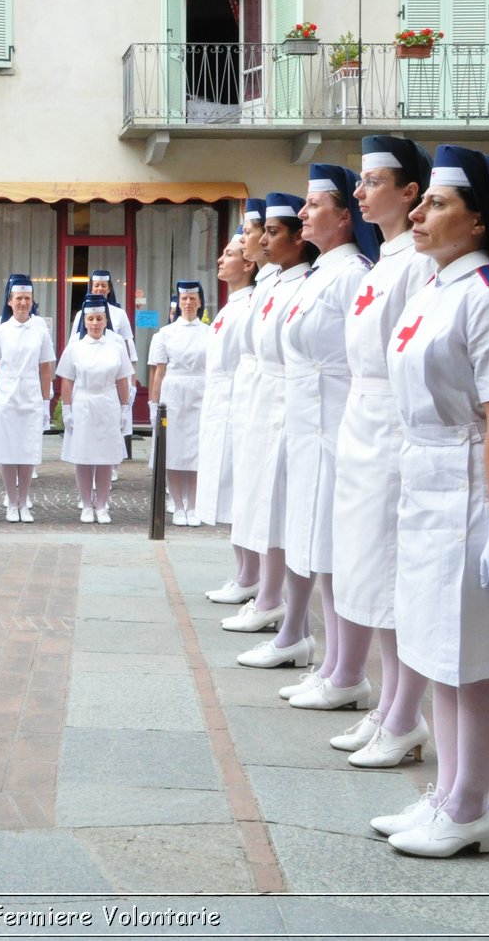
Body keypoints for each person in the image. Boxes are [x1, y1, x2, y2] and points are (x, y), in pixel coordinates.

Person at [373, 144, 489, 858]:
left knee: (476, 658)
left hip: (475, 491)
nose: (417, 213)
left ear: (479, 218)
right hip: (428, 484)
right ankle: (449, 794)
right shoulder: (434, 287)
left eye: (436, 203)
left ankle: (472, 804)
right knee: (436, 649)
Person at [330, 137, 438, 765]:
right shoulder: (383, 262)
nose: (360, 192)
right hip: (363, 423)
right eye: (360, 181)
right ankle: (388, 705)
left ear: (409, 192)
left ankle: (404, 715)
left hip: (394, 425)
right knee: (370, 567)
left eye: (372, 181)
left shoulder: (417, 263)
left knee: (394, 573)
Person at [271, 164, 377, 708]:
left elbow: (361, 360)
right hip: (312, 430)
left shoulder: (355, 271)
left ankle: (348, 672)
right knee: (319, 549)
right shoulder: (322, 273)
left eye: (315, 205)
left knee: (338, 553)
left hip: (337, 426)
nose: (304, 213)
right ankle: (334, 663)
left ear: (343, 215)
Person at [225, 193, 316, 649]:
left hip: (284, 402)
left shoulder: (300, 282)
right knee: (262, 502)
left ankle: (273, 600)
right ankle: (263, 592)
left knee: (279, 509)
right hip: (261, 400)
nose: (249, 239)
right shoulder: (272, 283)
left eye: (258, 230)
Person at [196, 234, 259, 581]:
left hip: (236, 407)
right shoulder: (230, 305)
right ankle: (243, 573)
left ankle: (251, 576)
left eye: (230, 254)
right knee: (228, 496)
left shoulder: (248, 304)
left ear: (248, 265)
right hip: (219, 405)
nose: (221, 260)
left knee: (239, 496)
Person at [0, 274, 55, 523]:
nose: (23, 302)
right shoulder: (0, 330)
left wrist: (46, 402)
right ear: (10, 301)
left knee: (27, 452)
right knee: (7, 451)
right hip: (6, 396)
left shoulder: (40, 331)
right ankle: (10, 502)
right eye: (18, 298)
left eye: (27, 298)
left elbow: (46, 367)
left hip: (31, 396)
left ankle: (23, 501)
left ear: (32, 301)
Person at [55, 295, 132, 523]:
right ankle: (86, 504)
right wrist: (66, 408)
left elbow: (122, 379)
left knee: (106, 457)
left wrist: (125, 408)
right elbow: (67, 380)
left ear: (106, 320)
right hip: (84, 403)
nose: (96, 323)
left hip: (108, 402)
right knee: (84, 456)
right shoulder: (75, 348)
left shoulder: (116, 347)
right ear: (85, 322)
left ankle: (102, 505)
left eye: (100, 318)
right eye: (91, 319)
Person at [148, 281, 211, 525]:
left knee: (196, 450)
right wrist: (155, 403)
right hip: (173, 392)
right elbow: (158, 372)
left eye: (192, 299)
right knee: (172, 449)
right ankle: (177, 502)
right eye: (184, 299)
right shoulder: (165, 334)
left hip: (200, 390)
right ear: (178, 302)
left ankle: (194, 505)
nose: (188, 304)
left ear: (199, 302)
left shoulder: (210, 332)